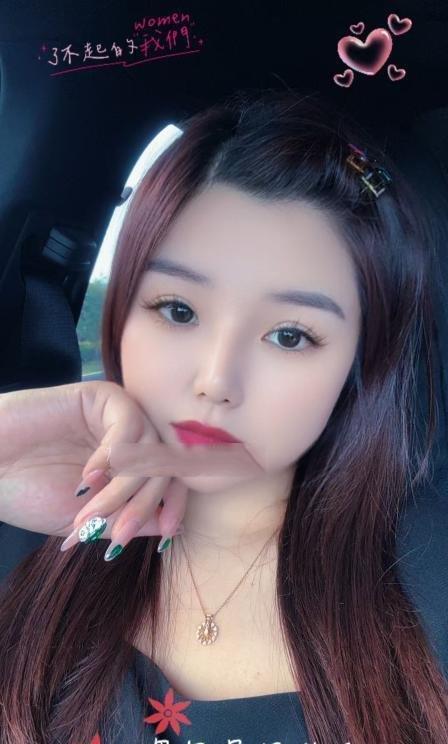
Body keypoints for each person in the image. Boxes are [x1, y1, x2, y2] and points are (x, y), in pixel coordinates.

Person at [0, 87, 447, 744]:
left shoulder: (426, 581)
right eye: (178, 310)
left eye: (289, 336)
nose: (215, 380)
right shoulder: (26, 515)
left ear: (359, 364)